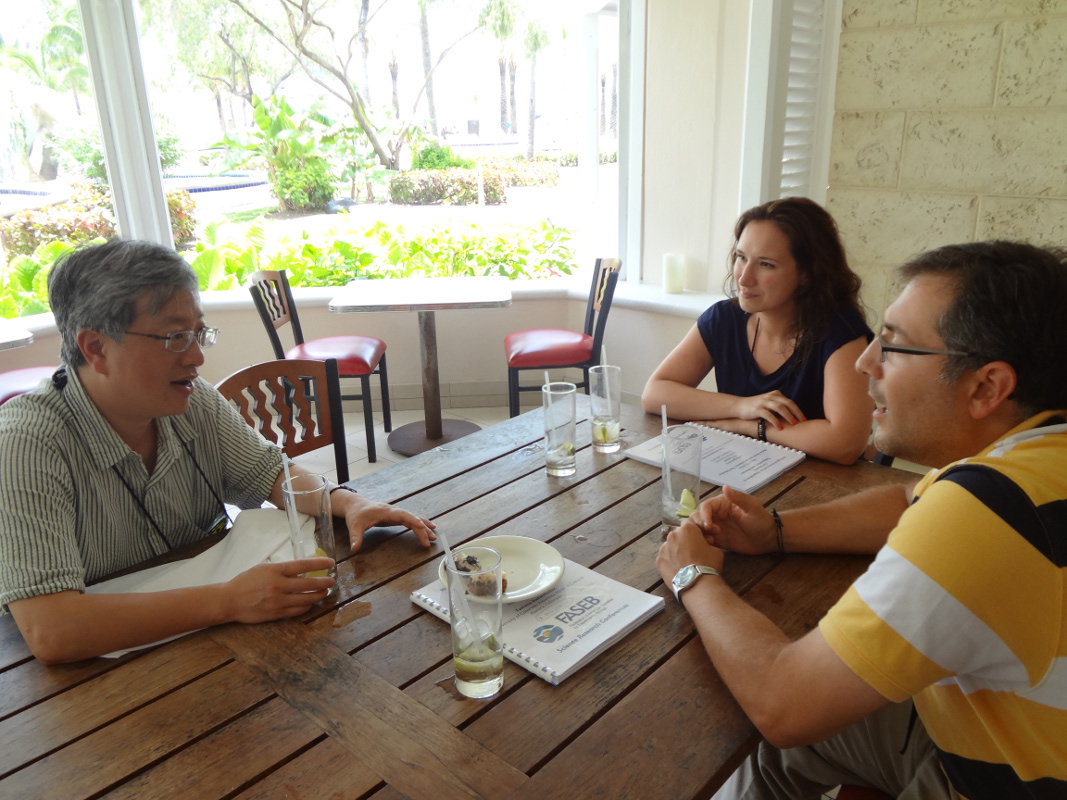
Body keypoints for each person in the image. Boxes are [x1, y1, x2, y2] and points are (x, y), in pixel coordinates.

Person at [656, 240, 1067, 799]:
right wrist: (776, 530)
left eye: (894, 348)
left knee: (773, 727)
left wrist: (693, 576)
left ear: (986, 387)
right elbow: (908, 500)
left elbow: (784, 703)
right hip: (1009, 732)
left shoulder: (986, 513)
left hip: (1001, 778)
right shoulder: (1037, 456)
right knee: (781, 749)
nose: (864, 362)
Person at [0, 239, 436, 665]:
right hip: (98, 679)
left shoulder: (192, 401)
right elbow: (52, 630)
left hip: (210, 649)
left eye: (197, 333)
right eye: (174, 337)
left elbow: (270, 473)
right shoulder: (26, 443)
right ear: (95, 348)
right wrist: (229, 601)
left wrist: (351, 503)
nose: (196, 357)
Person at [641, 197, 874, 465]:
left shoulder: (841, 332)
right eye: (741, 257)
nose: (743, 278)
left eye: (766, 264)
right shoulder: (724, 319)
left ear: (807, 274)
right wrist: (742, 407)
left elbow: (846, 443)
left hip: (817, 484)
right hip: (737, 470)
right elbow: (654, 395)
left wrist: (749, 426)